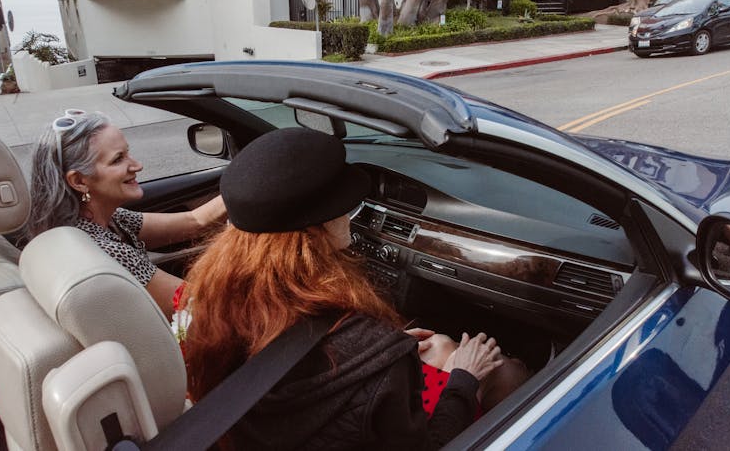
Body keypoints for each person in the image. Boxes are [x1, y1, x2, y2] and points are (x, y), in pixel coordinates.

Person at [181, 127, 524, 450]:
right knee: (503, 369)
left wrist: (384, 350)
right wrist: (464, 378)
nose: (349, 215)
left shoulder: (212, 305)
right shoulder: (377, 353)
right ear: (322, 224)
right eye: (347, 206)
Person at [27, 110, 226, 318]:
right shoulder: (107, 253)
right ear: (79, 181)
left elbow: (193, 221)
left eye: (127, 153)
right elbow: (201, 304)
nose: (137, 165)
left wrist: (246, 193)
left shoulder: (105, 221)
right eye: (118, 159)